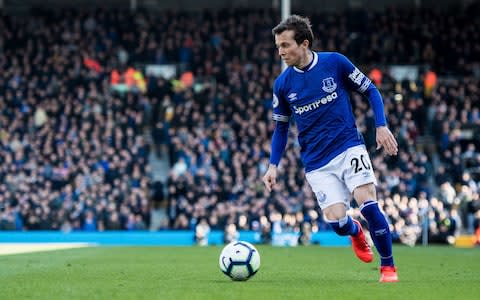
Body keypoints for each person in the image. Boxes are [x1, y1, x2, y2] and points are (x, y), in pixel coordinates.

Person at [262, 15, 399, 282]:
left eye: (285, 45)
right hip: (316, 162)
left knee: (369, 205)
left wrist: (381, 125)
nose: (280, 52)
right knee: (337, 223)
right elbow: (280, 128)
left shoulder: (334, 63)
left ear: (304, 43)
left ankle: (388, 268)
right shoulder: (283, 84)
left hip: (349, 146)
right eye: (278, 46)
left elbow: (371, 90)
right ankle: (356, 232)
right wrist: (272, 165)